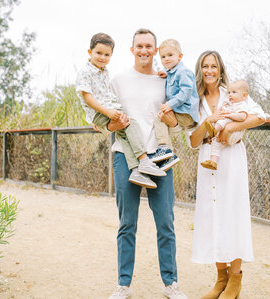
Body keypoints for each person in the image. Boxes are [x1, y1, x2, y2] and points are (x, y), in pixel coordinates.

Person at [107, 29, 188, 299]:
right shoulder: (118, 80)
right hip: (126, 157)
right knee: (127, 223)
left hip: (160, 157)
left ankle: (170, 284)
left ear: (155, 51)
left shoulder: (166, 81)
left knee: (165, 222)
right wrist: (111, 124)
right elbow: (106, 120)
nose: (144, 50)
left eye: (149, 46)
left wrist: (174, 123)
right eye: (139, 46)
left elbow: (176, 123)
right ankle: (123, 285)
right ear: (132, 50)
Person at [188, 50, 268, 299]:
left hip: (231, 158)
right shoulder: (195, 99)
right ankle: (220, 279)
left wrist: (230, 126)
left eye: (213, 66)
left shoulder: (233, 92)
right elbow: (193, 141)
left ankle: (235, 279)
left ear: (220, 69)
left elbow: (260, 117)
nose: (209, 71)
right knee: (213, 216)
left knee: (233, 215)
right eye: (205, 66)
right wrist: (208, 122)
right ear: (199, 70)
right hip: (207, 160)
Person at [76, 33, 166, 190]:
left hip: (107, 110)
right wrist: (107, 113)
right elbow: (88, 98)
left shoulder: (104, 72)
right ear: (90, 52)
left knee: (126, 136)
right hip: (102, 112)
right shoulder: (86, 71)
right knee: (132, 124)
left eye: (107, 54)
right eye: (98, 53)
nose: (102, 57)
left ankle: (136, 170)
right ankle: (144, 160)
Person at [149, 39, 199, 169]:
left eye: (170, 55)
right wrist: (166, 74)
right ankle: (166, 154)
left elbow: (185, 91)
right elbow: (173, 79)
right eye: (163, 57)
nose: (166, 59)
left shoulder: (183, 72)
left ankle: (165, 150)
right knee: (164, 126)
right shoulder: (172, 73)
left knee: (160, 119)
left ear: (180, 56)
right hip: (182, 113)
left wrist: (170, 105)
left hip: (186, 113)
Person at [200, 80, 250, 170]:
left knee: (224, 118)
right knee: (216, 144)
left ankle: (214, 130)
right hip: (223, 136)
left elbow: (243, 117)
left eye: (234, 92)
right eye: (229, 92)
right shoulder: (231, 104)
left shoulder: (242, 105)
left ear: (244, 95)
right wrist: (224, 108)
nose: (230, 94)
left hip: (234, 134)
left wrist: (229, 115)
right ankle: (213, 162)